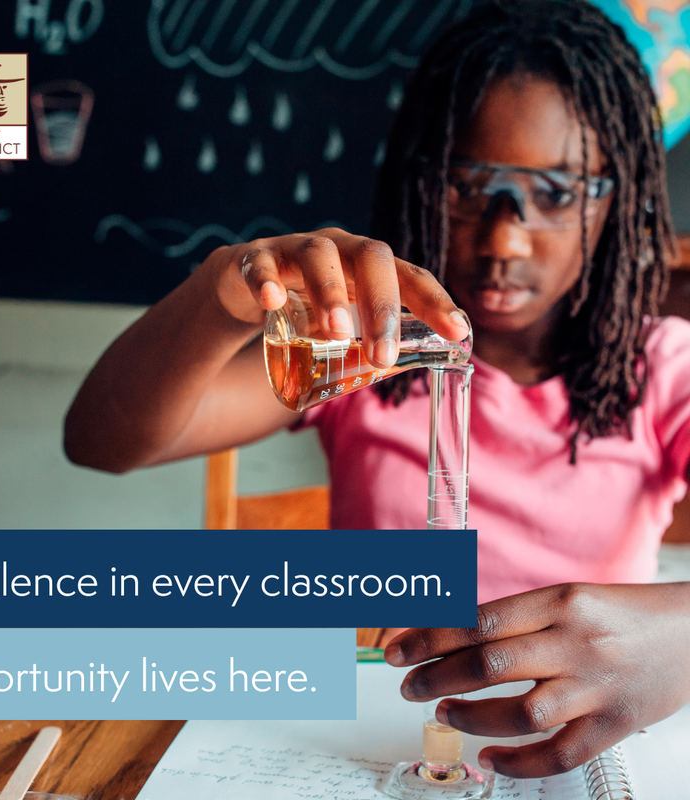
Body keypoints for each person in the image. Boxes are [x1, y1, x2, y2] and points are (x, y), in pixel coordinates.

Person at [64, 0, 690, 780]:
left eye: (558, 191)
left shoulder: (661, 370)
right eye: (468, 184)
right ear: (419, 182)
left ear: (619, 198)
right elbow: (100, 441)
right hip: (364, 740)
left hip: (572, 753)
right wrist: (220, 294)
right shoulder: (365, 354)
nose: (503, 237)